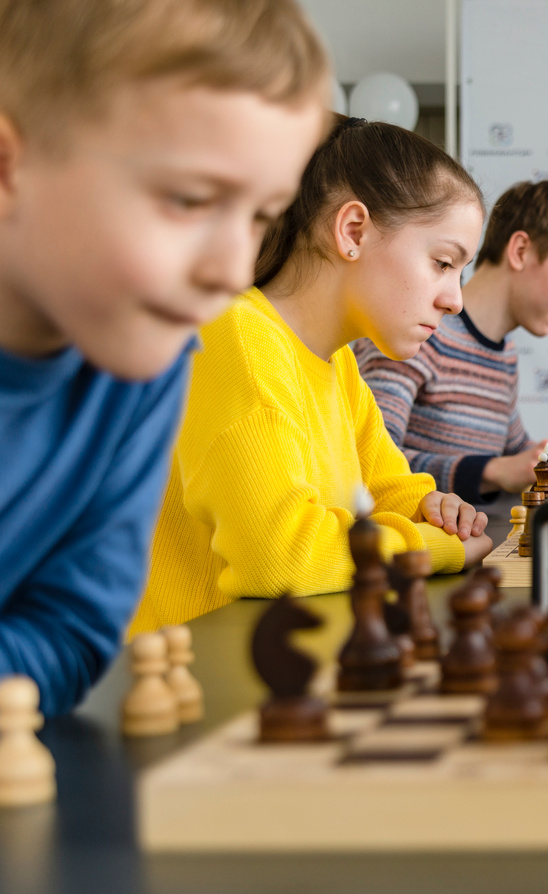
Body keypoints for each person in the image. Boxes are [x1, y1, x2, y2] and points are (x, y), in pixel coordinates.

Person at [0, 0, 326, 714]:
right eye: (188, 200)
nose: (231, 268)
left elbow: (72, 630)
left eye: (262, 216)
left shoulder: (147, 365)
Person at [133, 118, 492, 634]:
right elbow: (279, 556)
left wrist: (437, 510)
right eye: (442, 262)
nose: (455, 299)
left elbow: (395, 492)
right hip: (192, 684)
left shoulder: (338, 362)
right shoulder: (234, 336)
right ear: (353, 231)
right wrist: (438, 548)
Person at [357, 179, 548, 503]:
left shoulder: (503, 354)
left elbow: (517, 458)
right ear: (520, 251)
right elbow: (366, 464)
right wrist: (491, 472)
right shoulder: (414, 333)